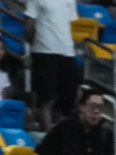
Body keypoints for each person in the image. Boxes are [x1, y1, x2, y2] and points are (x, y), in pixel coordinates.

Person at [34, 89, 116, 155]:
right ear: (81, 107)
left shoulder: (98, 128)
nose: (96, 111)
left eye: (100, 107)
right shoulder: (69, 124)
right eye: (92, 106)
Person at [24, 0, 80, 131]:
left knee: (72, 97)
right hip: (44, 52)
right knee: (46, 99)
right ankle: (47, 137)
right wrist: (37, 44)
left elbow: (68, 23)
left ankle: (69, 134)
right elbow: (29, 25)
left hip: (67, 51)